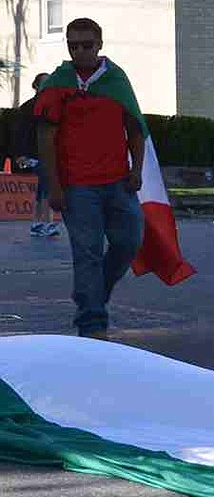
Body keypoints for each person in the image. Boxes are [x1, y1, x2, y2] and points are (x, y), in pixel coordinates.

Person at [34, 19, 146, 339]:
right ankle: (92, 323)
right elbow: (46, 138)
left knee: (129, 241)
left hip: (118, 182)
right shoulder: (57, 84)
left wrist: (136, 170)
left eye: (86, 45)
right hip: (77, 186)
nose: (80, 51)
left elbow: (135, 128)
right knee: (87, 252)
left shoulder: (116, 80)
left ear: (100, 44)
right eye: (73, 45)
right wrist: (54, 187)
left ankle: (95, 291)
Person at [11, 72, 59, 237]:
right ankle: (47, 222)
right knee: (46, 185)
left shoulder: (53, 106)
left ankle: (38, 222)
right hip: (34, 153)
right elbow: (20, 133)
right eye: (44, 83)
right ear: (36, 86)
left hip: (48, 152)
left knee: (43, 186)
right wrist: (20, 154)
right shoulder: (28, 107)